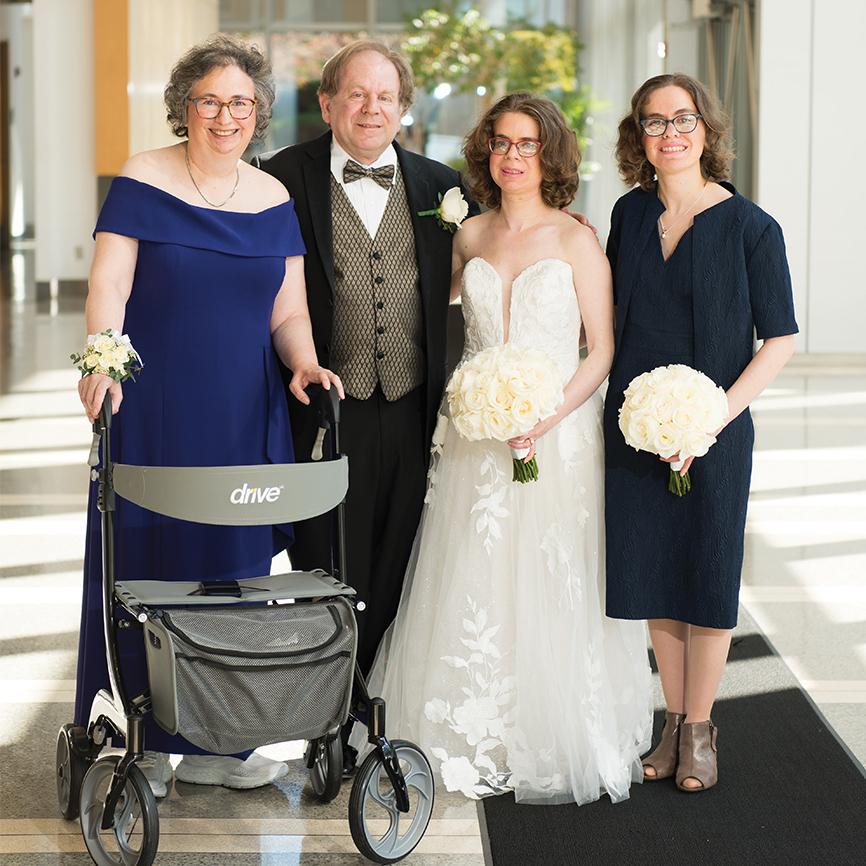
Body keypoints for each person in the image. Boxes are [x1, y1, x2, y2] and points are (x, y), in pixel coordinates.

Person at [363, 92, 654, 805]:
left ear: (549, 154)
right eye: (501, 143)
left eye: (527, 144)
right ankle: (470, 727)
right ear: (485, 153)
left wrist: (544, 419)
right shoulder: (468, 235)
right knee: (472, 569)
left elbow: (602, 349)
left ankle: (550, 728)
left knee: (552, 575)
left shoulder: (577, 241)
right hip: (476, 436)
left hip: (557, 434)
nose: (512, 156)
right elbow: (427, 312)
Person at [73, 35, 342, 797]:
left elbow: (287, 311)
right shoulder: (142, 178)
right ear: (183, 107)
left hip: (241, 412)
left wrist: (304, 361)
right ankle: (144, 742)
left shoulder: (273, 197)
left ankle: (222, 742)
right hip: (153, 406)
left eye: (240, 103)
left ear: (258, 113)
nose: (226, 116)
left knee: (232, 572)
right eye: (210, 101)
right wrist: (100, 360)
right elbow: (109, 285)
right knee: (147, 565)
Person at [251, 40, 481, 771]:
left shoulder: (443, 187)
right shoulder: (279, 178)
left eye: (385, 96)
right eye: (356, 94)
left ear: (404, 107)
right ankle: (324, 715)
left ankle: (365, 711)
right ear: (327, 104)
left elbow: (503, 248)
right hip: (323, 407)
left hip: (413, 406)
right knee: (325, 562)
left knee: (397, 559)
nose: (371, 108)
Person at [603, 73, 797, 792]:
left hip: (715, 429)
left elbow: (779, 339)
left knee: (708, 571)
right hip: (634, 427)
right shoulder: (628, 214)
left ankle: (702, 729)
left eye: (683, 119)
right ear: (640, 136)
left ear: (706, 129)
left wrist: (714, 415)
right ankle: (672, 721)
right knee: (654, 571)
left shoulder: (752, 227)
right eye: (655, 122)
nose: (671, 134)